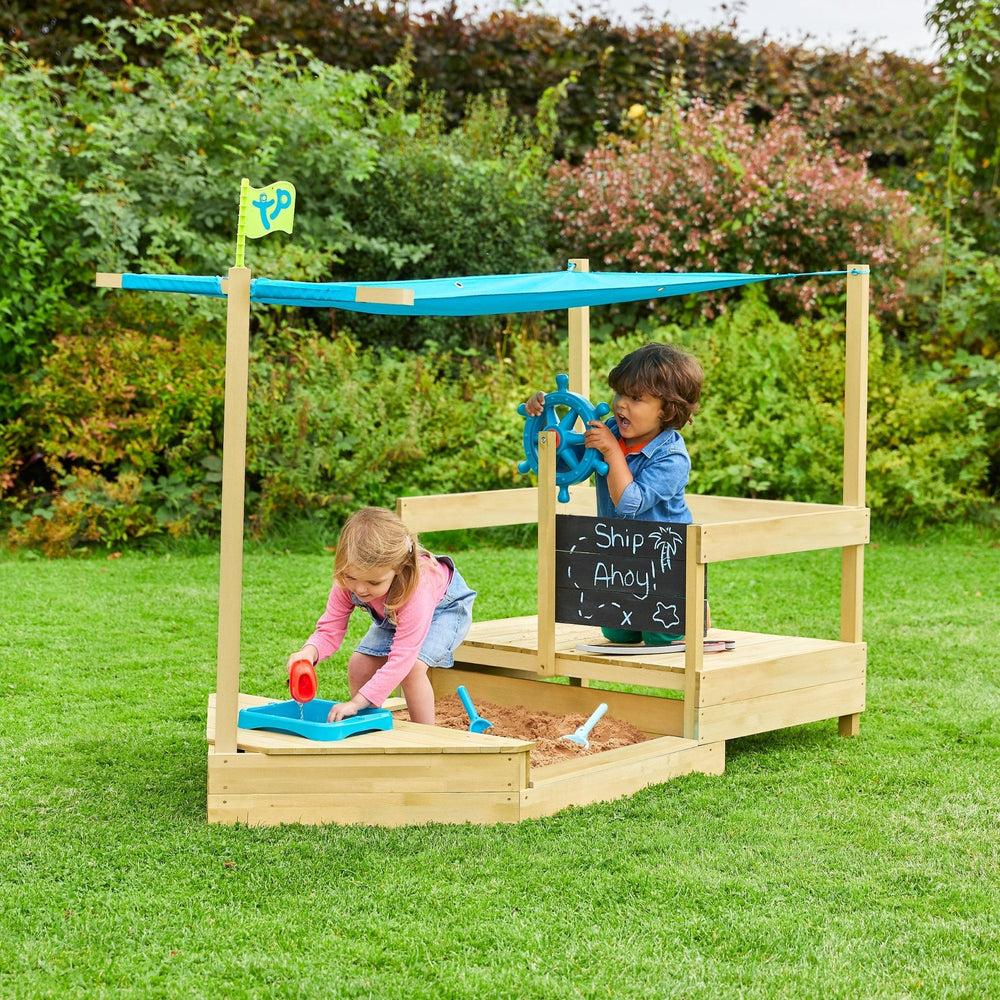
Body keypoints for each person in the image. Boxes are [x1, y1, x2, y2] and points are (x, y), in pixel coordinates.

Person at [524, 341, 704, 645]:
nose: (621, 404)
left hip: (665, 561)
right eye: (620, 393)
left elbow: (629, 502)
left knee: (660, 637)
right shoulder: (610, 430)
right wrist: (541, 417)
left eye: (636, 398)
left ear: (667, 411)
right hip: (621, 554)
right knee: (617, 633)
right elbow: (564, 451)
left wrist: (611, 450)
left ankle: (696, 609)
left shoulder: (671, 457)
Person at [286, 507, 476, 725]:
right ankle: (369, 725)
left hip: (445, 610)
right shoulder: (347, 582)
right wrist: (307, 654)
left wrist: (357, 701)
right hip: (395, 613)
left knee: (412, 669)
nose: (360, 589)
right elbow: (330, 629)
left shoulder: (417, 589)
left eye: (373, 582)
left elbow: (403, 656)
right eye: (351, 577)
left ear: (399, 567)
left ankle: (426, 738)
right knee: (360, 665)